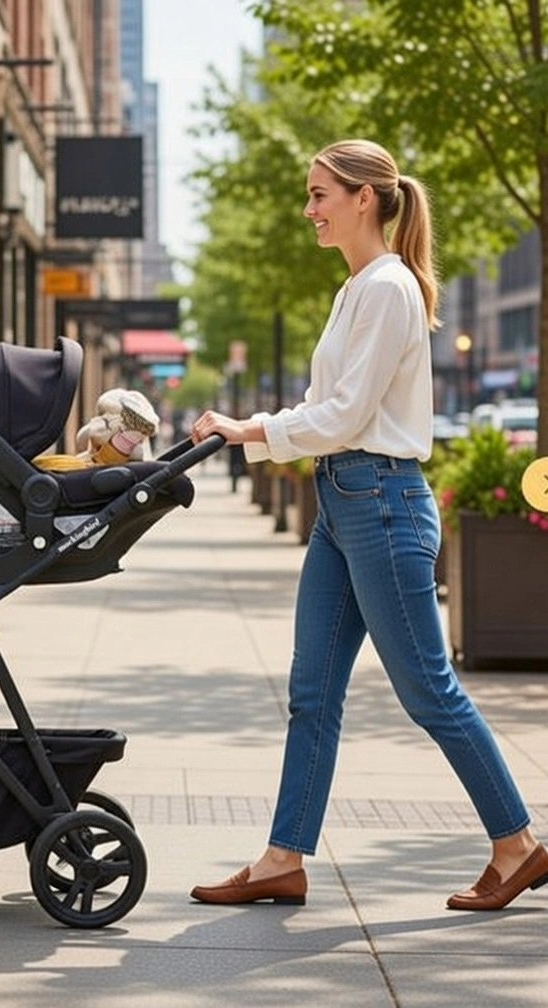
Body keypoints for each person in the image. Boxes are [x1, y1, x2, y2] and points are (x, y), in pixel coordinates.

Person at [188, 139, 547, 911]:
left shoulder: (388, 288)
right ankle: (283, 857)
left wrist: (248, 428)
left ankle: (516, 843)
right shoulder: (357, 287)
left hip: (381, 503)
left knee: (428, 691)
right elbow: (337, 413)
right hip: (344, 506)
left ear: (365, 198)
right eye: (309, 194)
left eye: (321, 194)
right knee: (311, 691)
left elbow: (347, 415)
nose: (310, 209)